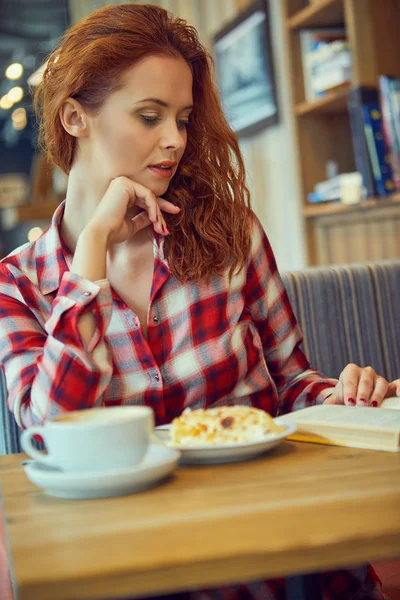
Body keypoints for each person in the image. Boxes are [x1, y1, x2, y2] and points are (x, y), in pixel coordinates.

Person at [0, 5, 399, 600]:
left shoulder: (229, 232)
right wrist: (91, 252)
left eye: (183, 119)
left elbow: (291, 385)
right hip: (134, 566)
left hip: (279, 550)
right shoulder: (19, 285)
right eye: (149, 115)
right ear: (74, 118)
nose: (174, 141)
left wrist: (345, 397)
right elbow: (55, 433)